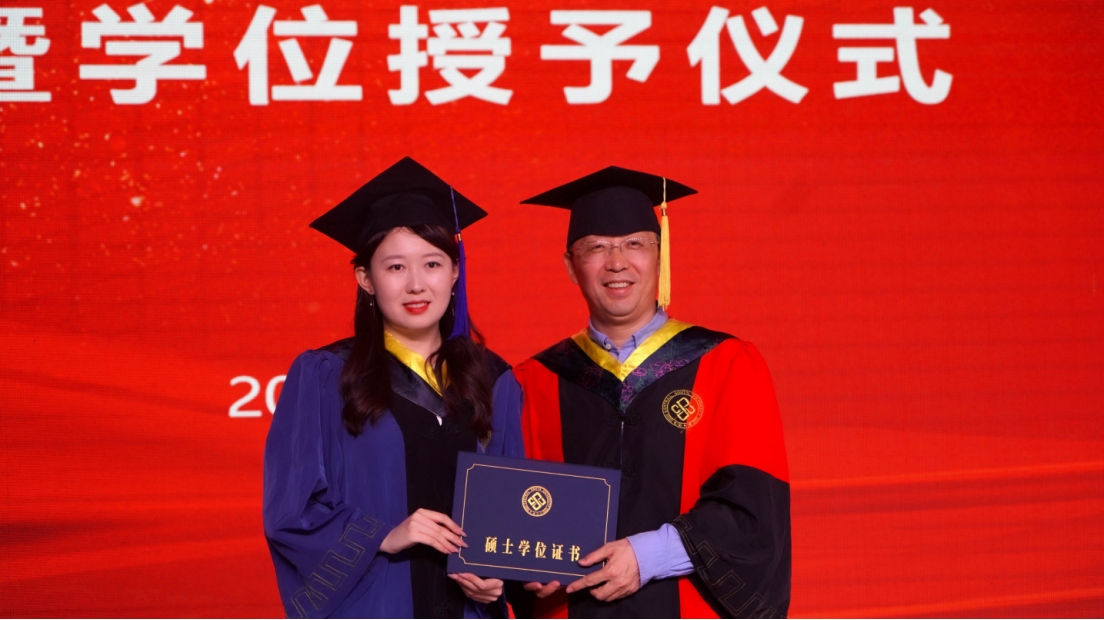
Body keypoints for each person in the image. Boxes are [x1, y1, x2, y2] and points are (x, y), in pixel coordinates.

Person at [510, 167, 791, 618]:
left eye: (634, 244)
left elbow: (754, 511)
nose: (616, 262)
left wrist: (648, 555)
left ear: (660, 257)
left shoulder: (726, 364)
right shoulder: (534, 381)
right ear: (570, 266)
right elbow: (514, 513)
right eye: (596, 247)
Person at [263, 157, 523, 619]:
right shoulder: (326, 376)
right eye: (396, 267)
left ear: (455, 272)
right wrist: (383, 534)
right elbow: (291, 513)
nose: (416, 284)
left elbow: (512, 513)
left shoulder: (494, 378)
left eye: (432, 264)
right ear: (366, 279)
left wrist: (497, 582)